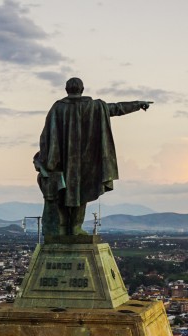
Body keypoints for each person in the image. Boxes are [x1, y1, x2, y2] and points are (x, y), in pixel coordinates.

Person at [34, 77, 152, 237]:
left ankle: (62, 228)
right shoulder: (95, 106)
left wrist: (44, 158)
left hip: (60, 162)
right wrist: (138, 104)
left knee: (61, 194)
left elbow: (46, 137)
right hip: (85, 162)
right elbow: (116, 108)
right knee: (80, 193)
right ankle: (75, 227)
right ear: (82, 89)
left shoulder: (57, 108)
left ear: (66, 90)